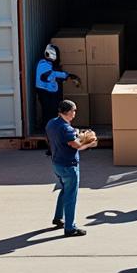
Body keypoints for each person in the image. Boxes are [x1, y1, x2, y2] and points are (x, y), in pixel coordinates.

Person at [45, 100, 96, 237]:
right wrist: (89, 144)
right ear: (67, 112)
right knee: (71, 196)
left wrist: (76, 133)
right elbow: (77, 145)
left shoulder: (52, 123)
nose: (75, 113)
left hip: (57, 164)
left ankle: (58, 218)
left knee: (64, 189)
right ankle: (70, 228)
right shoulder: (65, 128)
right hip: (69, 166)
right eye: (74, 110)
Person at [34, 44, 78, 152]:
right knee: (51, 119)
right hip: (47, 95)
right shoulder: (44, 65)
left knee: (51, 118)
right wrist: (66, 75)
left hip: (47, 94)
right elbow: (50, 75)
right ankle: (52, 146)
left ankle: (53, 144)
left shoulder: (44, 63)